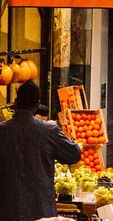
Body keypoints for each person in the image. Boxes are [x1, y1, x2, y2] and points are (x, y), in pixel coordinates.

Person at [0, 82, 82, 221]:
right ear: (37, 105)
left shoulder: (2, 131)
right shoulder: (49, 130)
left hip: (7, 210)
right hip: (41, 210)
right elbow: (74, 154)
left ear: (15, 102)